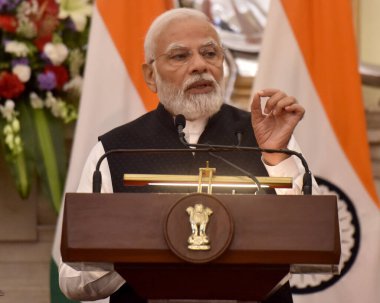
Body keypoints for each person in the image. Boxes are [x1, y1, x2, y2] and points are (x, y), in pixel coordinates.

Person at [59, 7, 318, 303]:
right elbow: (72, 280)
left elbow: (314, 241)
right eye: (180, 56)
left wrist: (275, 159)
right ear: (150, 75)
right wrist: (140, 245)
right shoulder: (113, 151)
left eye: (210, 53)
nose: (199, 65)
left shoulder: (268, 136)